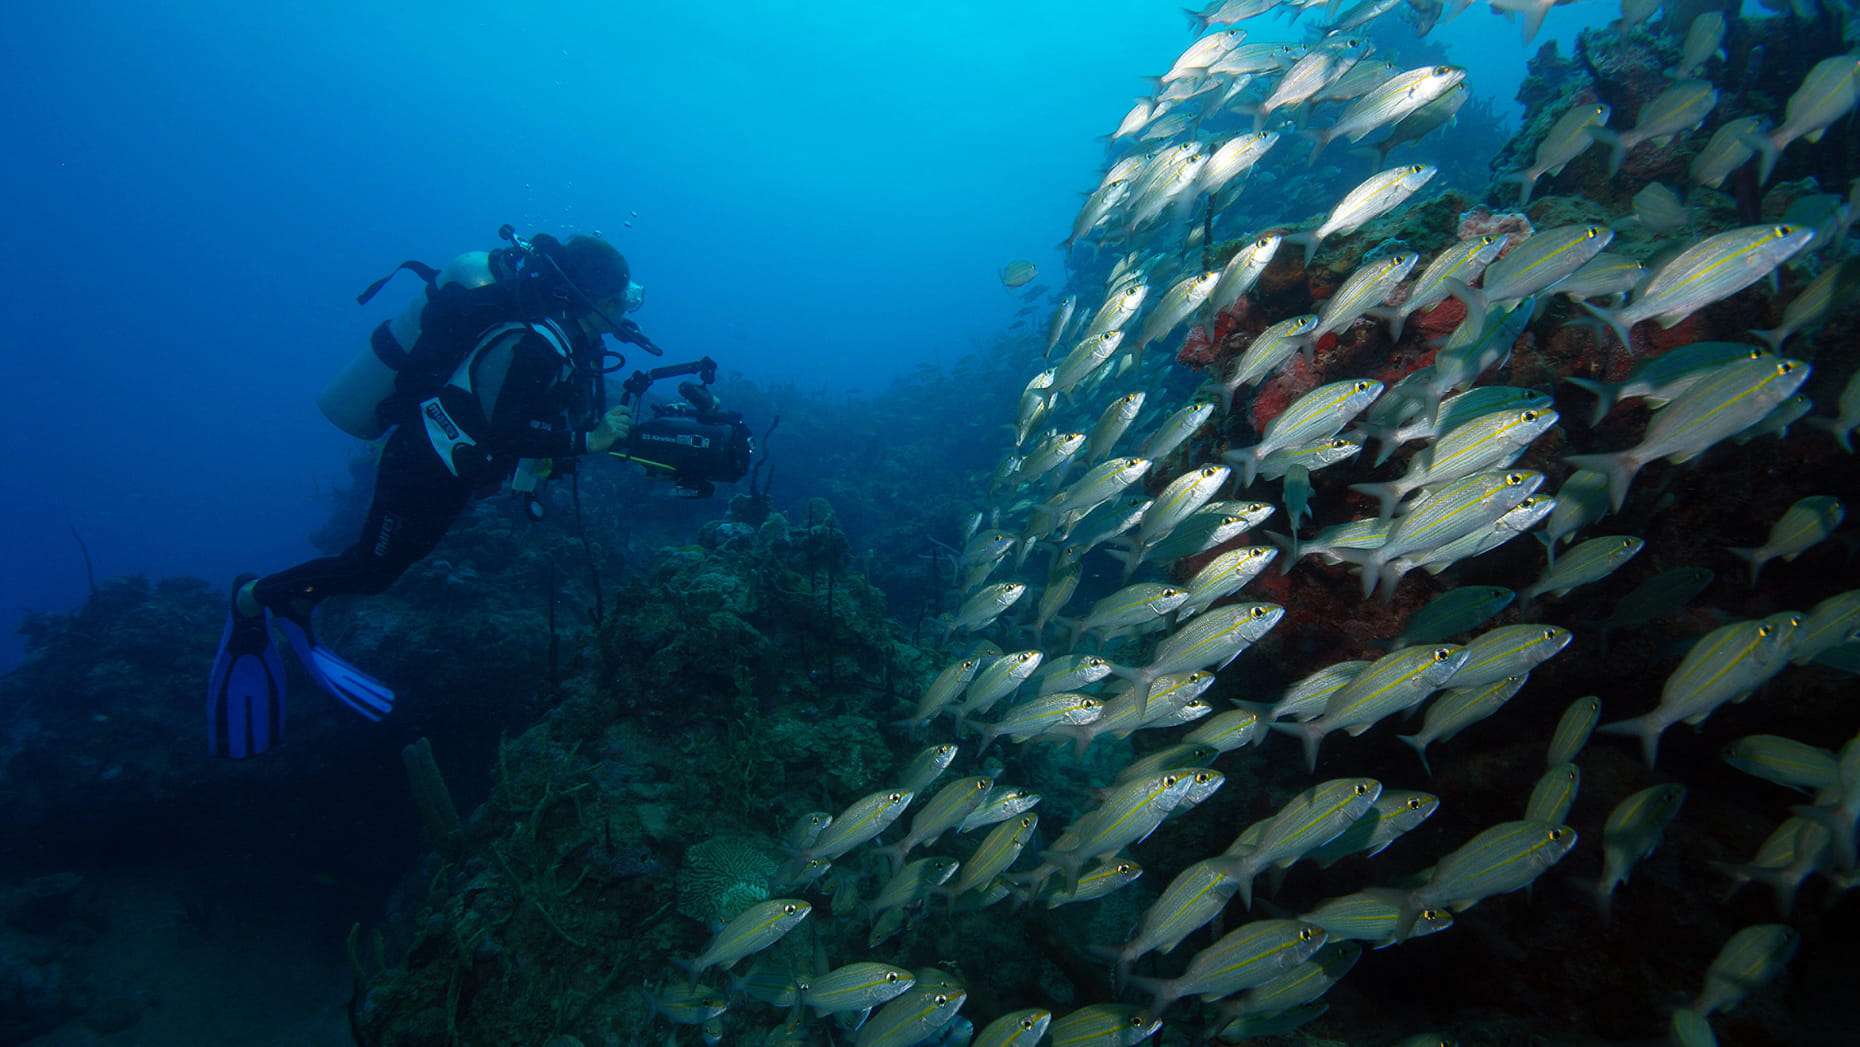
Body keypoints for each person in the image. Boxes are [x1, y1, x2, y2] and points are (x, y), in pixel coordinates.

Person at [207, 232, 647, 758]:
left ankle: (296, 601)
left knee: (384, 567)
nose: (623, 312)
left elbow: (521, 419)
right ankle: (252, 597)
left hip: (448, 469)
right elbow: (507, 433)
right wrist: (589, 441)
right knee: (371, 569)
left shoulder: (564, 338)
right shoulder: (537, 342)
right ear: (585, 296)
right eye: (617, 300)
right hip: (422, 466)